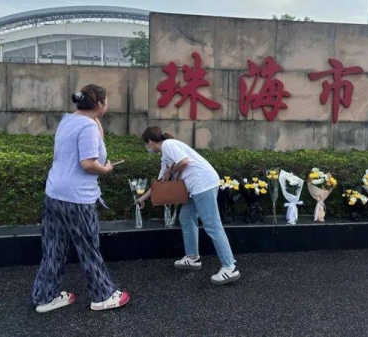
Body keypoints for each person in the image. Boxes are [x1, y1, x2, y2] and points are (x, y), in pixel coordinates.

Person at [31, 84, 130, 313]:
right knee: (88, 247)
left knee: (53, 248)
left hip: (54, 193)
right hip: (77, 198)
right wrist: (105, 170)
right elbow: (88, 164)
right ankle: (103, 295)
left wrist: (96, 117)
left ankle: (45, 296)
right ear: (100, 103)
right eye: (106, 101)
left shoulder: (69, 119)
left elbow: (96, 137)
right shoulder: (87, 126)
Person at [136, 126, 241, 285]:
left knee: (212, 225)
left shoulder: (169, 145)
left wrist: (172, 171)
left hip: (202, 184)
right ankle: (192, 258)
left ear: (150, 142)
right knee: (186, 216)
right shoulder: (165, 155)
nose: (147, 148)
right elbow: (160, 182)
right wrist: (142, 198)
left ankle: (229, 267)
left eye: (147, 144)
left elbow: (183, 162)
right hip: (196, 187)